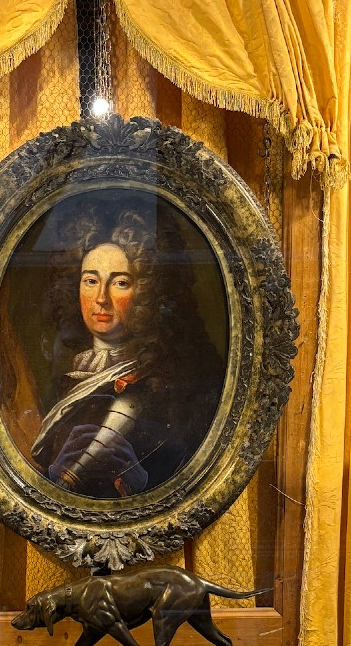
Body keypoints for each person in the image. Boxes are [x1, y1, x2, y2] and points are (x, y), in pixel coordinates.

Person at [31, 205, 224, 499]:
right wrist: (56, 475)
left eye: (120, 283)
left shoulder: (168, 384)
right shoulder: (61, 376)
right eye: (91, 281)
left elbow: (192, 475)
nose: (101, 299)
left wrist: (140, 482)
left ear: (145, 290)